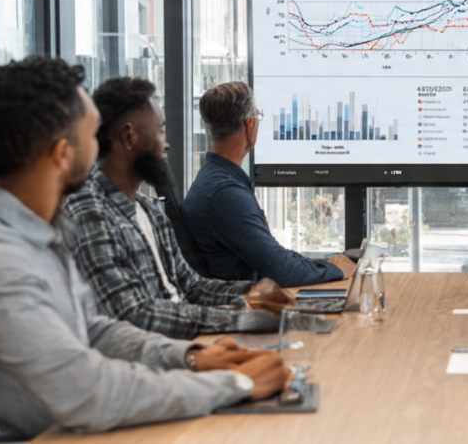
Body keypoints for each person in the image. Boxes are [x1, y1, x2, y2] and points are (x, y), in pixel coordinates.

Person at [0, 57, 288, 439]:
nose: (98, 145)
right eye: (91, 133)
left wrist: (190, 356)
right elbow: (84, 390)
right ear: (63, 153)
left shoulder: (37, 231)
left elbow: (96, 332)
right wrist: (235, 385)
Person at [63, 78, 294, 340]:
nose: (166, 144)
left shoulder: (149, 210)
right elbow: (135, 315)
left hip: (188, 341)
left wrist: (252, 290)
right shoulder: (89, 210)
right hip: (160, 354)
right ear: (130, 136)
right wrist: (243, 319)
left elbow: (192, 286)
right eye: (160, 131)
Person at [182, 81, 356, 286]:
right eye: (258, 116)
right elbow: (279, 270)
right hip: (244, 306)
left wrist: (321, 264)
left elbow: (272, 254)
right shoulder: (225, 194)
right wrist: (335, 269)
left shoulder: (214, 180)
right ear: (250, 124)